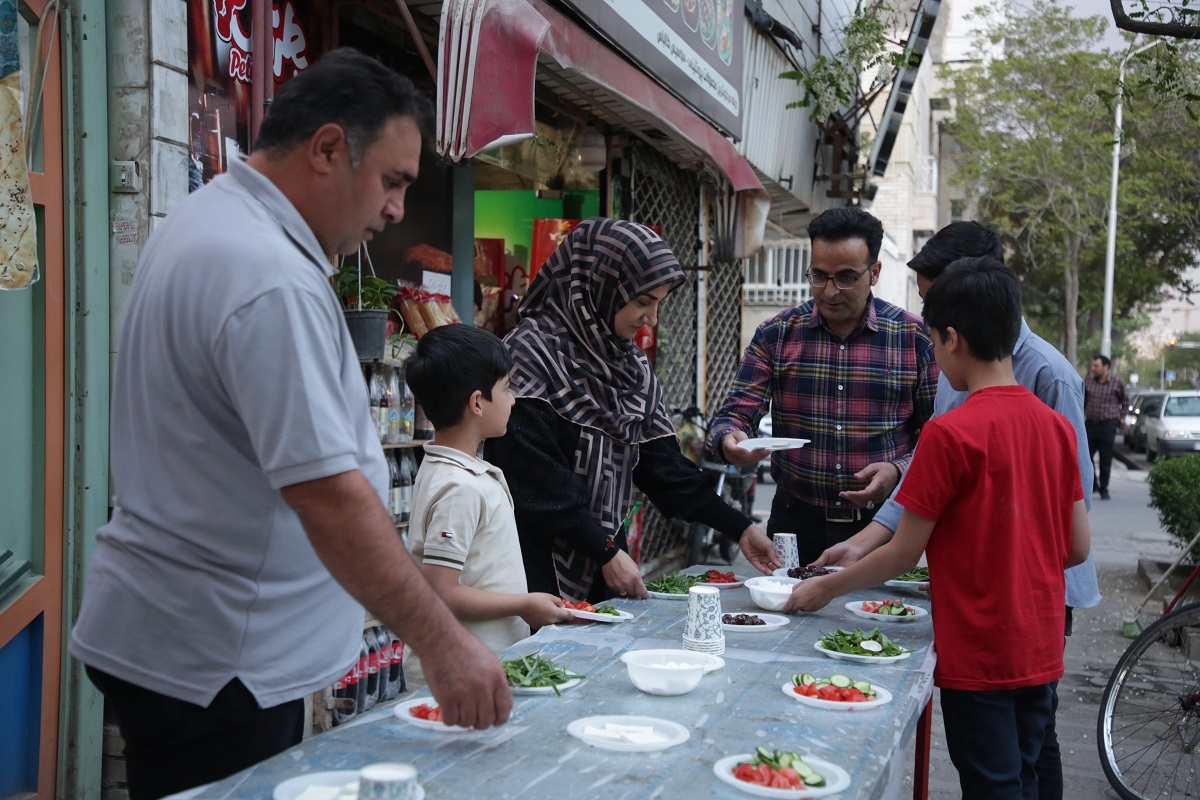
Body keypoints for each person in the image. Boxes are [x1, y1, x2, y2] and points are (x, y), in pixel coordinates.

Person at [68, 49, 510, 800]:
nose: (398, 209)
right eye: (394, 181)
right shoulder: (266, 274)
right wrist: (442, 642)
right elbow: (331, 497)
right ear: (328, 149)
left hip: (187, 641)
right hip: (219, 665)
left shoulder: (213, 217)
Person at [813, 221, 1101, 800]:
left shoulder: (951, 431)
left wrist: (825, 590)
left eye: (934, 345)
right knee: (1021, 776)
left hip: (980, 649)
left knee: (991, 785)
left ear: (952, 340)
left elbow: (904, 553)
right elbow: (1076, 547)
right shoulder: (1052, 428)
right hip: (1039, 644)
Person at [485, 217, 781, 602]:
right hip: (535, 567)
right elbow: (533, 479)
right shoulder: (529, 354)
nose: (651, 320)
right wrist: (604, 549)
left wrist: (739, 527)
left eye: (658, 303)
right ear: (598, 286)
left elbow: (661, 468)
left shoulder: (630, 367)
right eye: (642, 302)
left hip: (607, 559)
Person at [707, 206, 939, 565]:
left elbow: (937, 435)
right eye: (819, 275)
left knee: (877, 619)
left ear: (874, 272)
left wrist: (898, 470)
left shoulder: (913, 338)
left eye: (846, 277)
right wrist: (729, 439)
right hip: (793, 523)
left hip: (882, 528)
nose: (829, 291)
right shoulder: (777, 334)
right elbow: (734, 413)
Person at [402, 324, 573, 683]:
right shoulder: (458, 486)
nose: (513, 399)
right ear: (477, 402)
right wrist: (524, 604)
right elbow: (442, 592)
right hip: (459, 673)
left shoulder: (460, 471)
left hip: (484, 665)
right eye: (507, 388)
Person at [1085, 354, 1128, 500]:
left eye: (1096, 366)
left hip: (1108, 425)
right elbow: (1083, 400)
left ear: (1106, 367)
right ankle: (1093, 485)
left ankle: (1104, 488)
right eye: (1092, 366)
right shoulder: (1089, 382)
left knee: (1105, 458)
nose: (1093, 369)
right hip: (1090, 424)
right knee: (1085, 456)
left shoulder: (1117, 383)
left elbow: (1125, 402)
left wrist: (1120, 417)